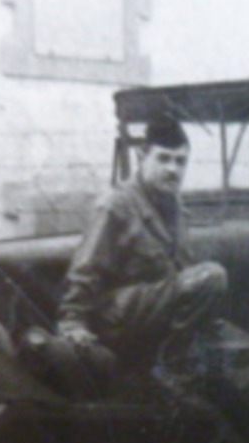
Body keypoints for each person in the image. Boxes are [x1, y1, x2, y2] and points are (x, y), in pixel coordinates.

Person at [55, 115, 227, 378]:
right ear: (141, 157)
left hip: (156, 314)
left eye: (180, 161)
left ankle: (179, 359)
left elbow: (180, 269)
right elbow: (86, 269)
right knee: (211, 276)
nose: (173, 169)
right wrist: (73, 322)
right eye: (163, 158)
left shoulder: (177, 210)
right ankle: (172, 368)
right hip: (119, 319)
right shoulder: (116, 206)